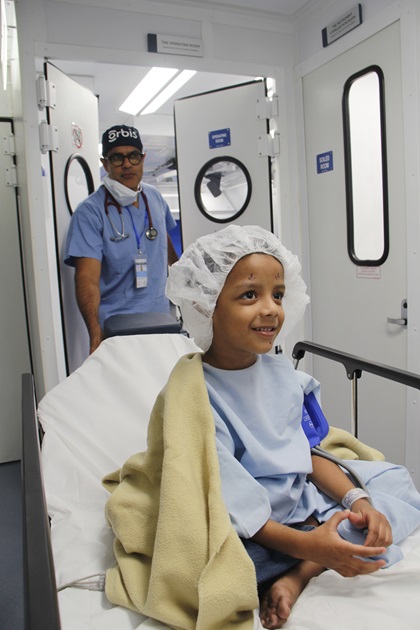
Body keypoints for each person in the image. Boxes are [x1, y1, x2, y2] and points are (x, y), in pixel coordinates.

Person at [164, 224, 420, 629]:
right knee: (207, 573)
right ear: (205, 304)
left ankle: (302, 570)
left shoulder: (284, 376)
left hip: (303, 506)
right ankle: (312, 557)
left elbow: (307, 457)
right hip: (254, 527)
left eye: (278, 294)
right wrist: (309, 542)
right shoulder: (196, 396)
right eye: (250, 295)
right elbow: (235, 505)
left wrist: (358, 502)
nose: (270, 308)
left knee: (397, 487)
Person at [64, 124, 179, 354]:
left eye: (133, 156)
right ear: (105, 163)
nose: (127, 164)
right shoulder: (90, 212)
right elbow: (87, 279)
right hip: (118, 329)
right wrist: (95, 332)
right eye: (117, 158)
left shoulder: (154, 197)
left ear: (143, 159)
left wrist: (186, 293)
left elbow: (164, 245)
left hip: (162, 321)